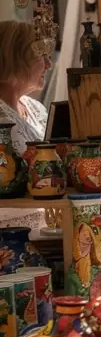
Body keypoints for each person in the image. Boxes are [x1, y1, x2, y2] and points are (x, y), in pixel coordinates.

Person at [0, 21, 51, 230]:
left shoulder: (35, 108)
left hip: (48, 223)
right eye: (41, 57)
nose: (49, 65)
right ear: (15, 58)